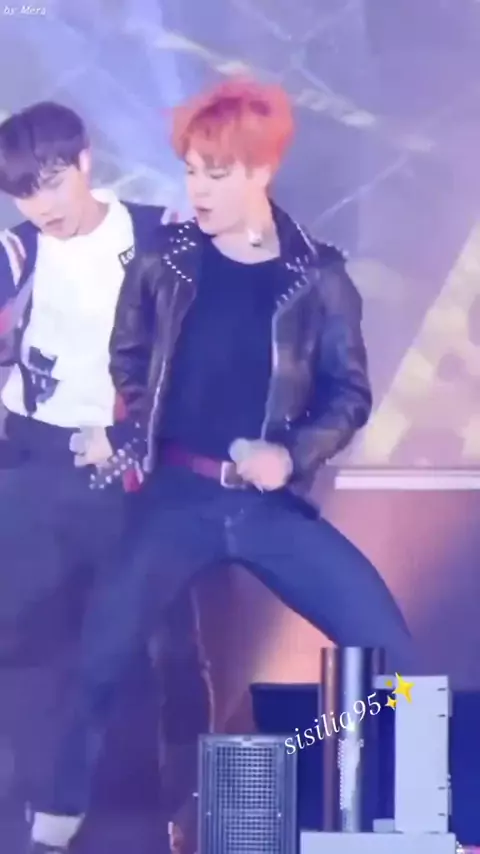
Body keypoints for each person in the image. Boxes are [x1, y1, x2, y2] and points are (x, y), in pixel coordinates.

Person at [36, 77, 416, 853]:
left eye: (216, 172)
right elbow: (130, 358)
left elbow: (349, 394)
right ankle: (50, 828)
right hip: (177, 499)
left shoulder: (318, 279)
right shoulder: (166, 262)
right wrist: (130, 430)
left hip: (266, 508)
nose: (198, 189)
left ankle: (386, 811)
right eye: (191, 171)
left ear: (261, 171)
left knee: (396, 659)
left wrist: (291, 454)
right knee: (99, 660)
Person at [0, 102, 171, 854]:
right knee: (23, 646)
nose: (40, 205)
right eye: (21, 191)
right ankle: (38, 815)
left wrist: (133, 436)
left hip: (121, 463)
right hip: (30, 459)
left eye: (49, 183)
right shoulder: (16, 251)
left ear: (84, 162)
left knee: (122, 648)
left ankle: (130, 825)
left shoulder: (156, 237)